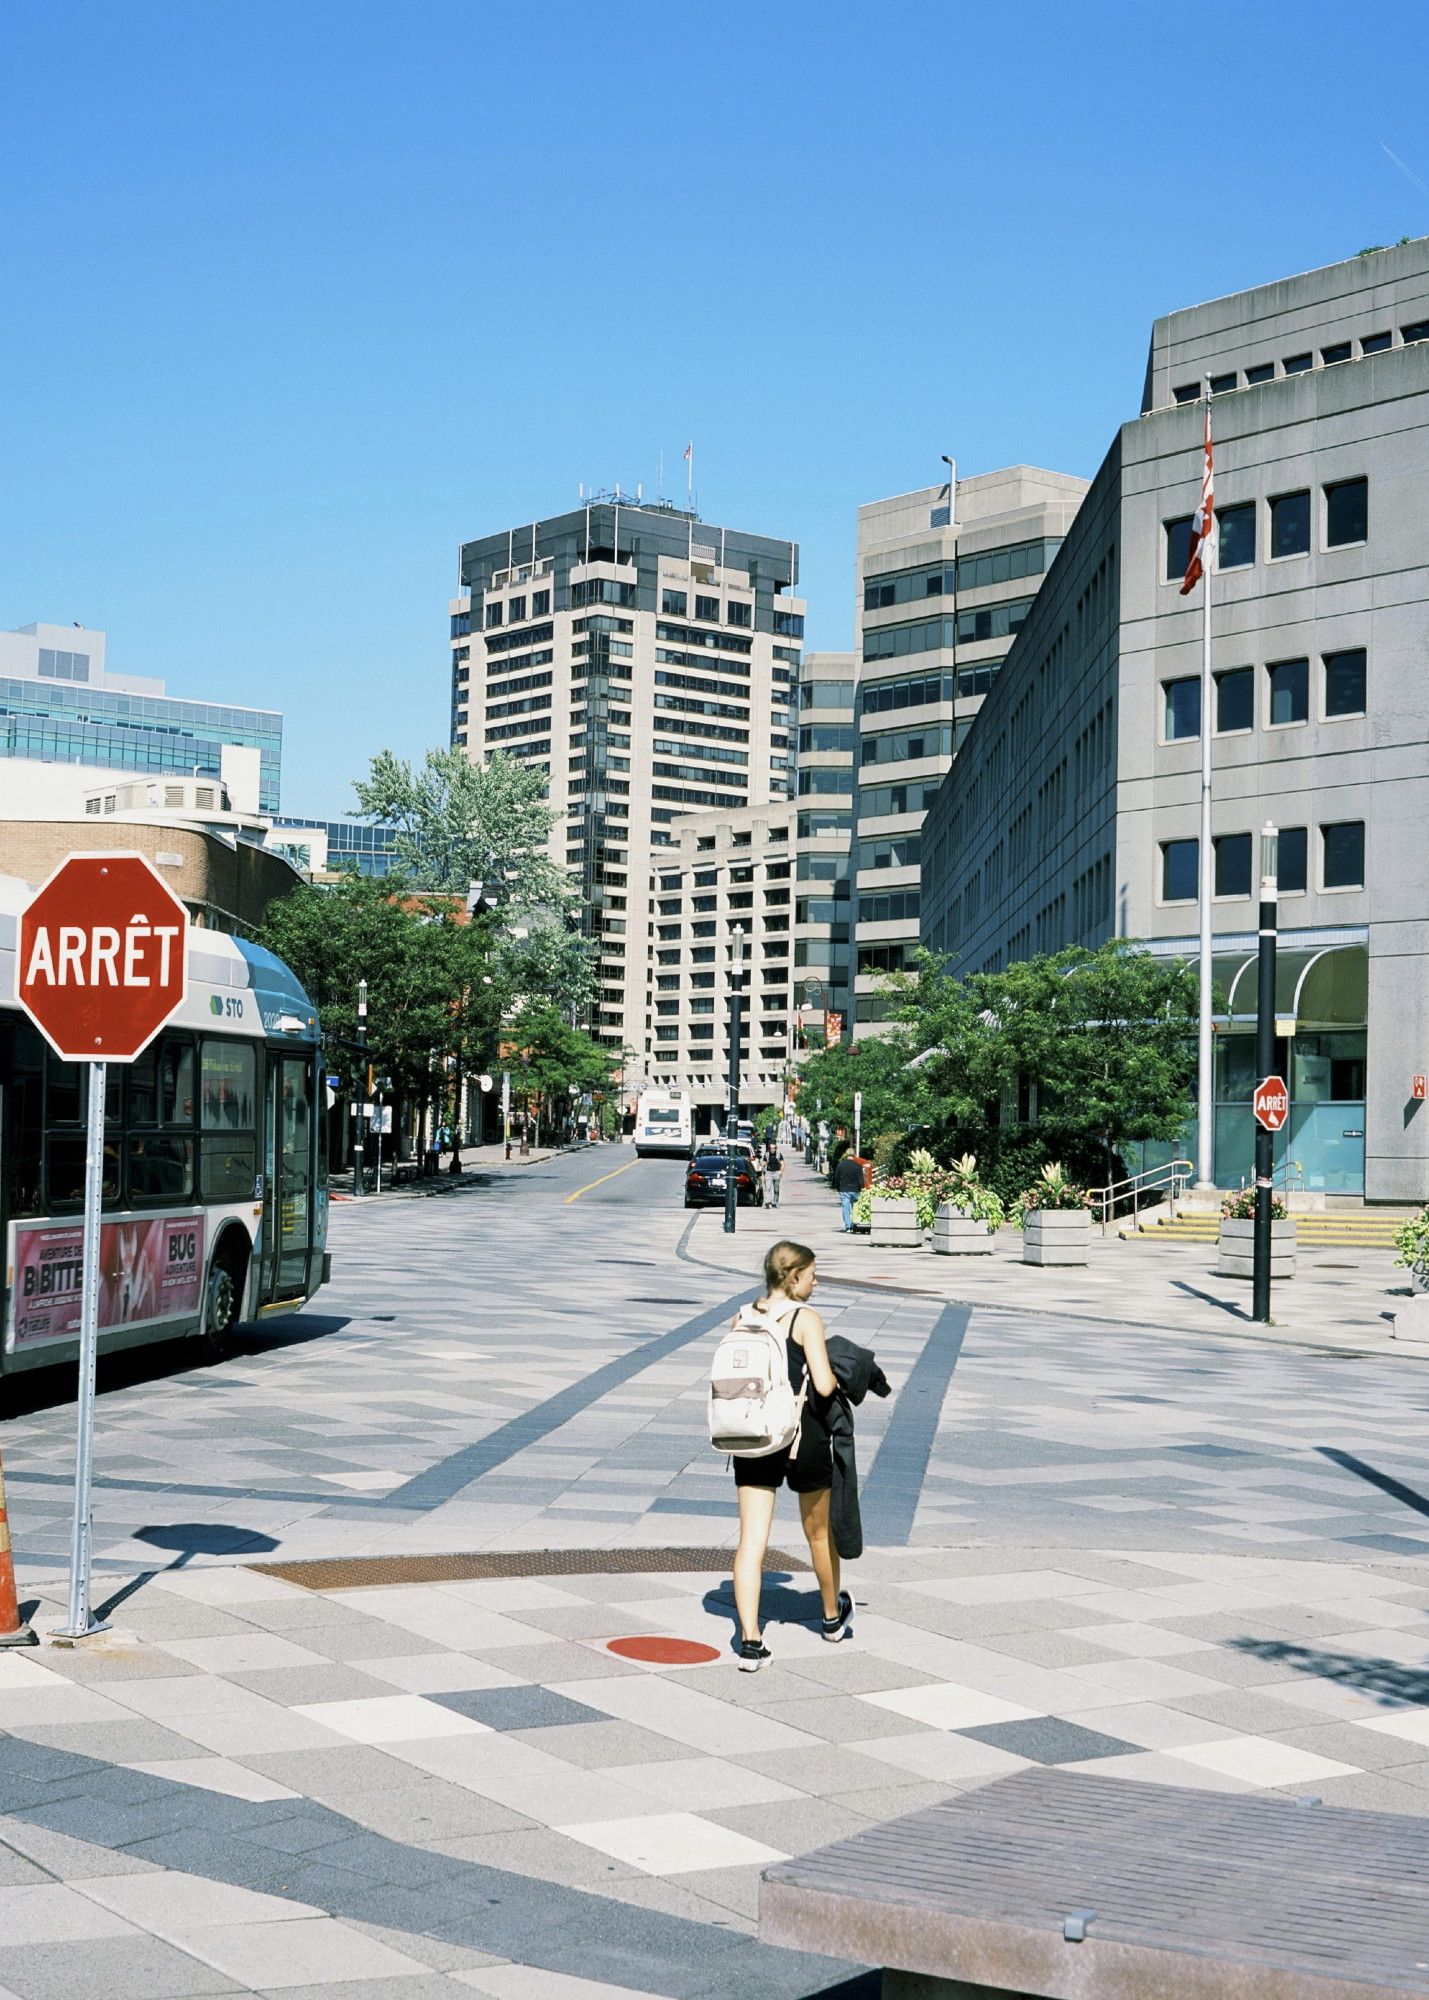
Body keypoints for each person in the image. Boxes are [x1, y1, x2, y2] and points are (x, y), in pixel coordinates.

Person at [730, 1240, 852, 1671]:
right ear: (794, 1276)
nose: (816, 1282)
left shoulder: (742, 1316)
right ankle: (832, 1617)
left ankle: (750, 1640)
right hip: (803, 1437)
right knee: (818, 1534)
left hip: (754, 1436)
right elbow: (822, 1385)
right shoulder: (805, 1319)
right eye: (813, 1275)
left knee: (752, 1541)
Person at [833, 1148, 865, 1231]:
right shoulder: (858, 1166)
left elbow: (836, 1177)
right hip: (855, 1190)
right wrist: (862, 1187)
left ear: (846, 1154)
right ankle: (855, 1224)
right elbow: (861, 1179)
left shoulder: (841, 1165)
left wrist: (837, 1187)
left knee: (845, 1207)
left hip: (844, 1189)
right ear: (854, 1155)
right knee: (855, 1208)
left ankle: (848, 1226)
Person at [763, 1134, 784, 1209]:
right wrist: (763, 1174)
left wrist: (780, 1172)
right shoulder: (767, 1155)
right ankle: (768, 1202)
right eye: (771, 1148)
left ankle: (775, 1202)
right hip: (768, 1173)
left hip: (776, 1173)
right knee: (767, 1188)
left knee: (776, 1189)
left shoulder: (779, 1155)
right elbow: (763, 1164)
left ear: (776, 1149)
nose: (772, 1149)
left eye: (773, 1148)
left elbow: (782, 1164)